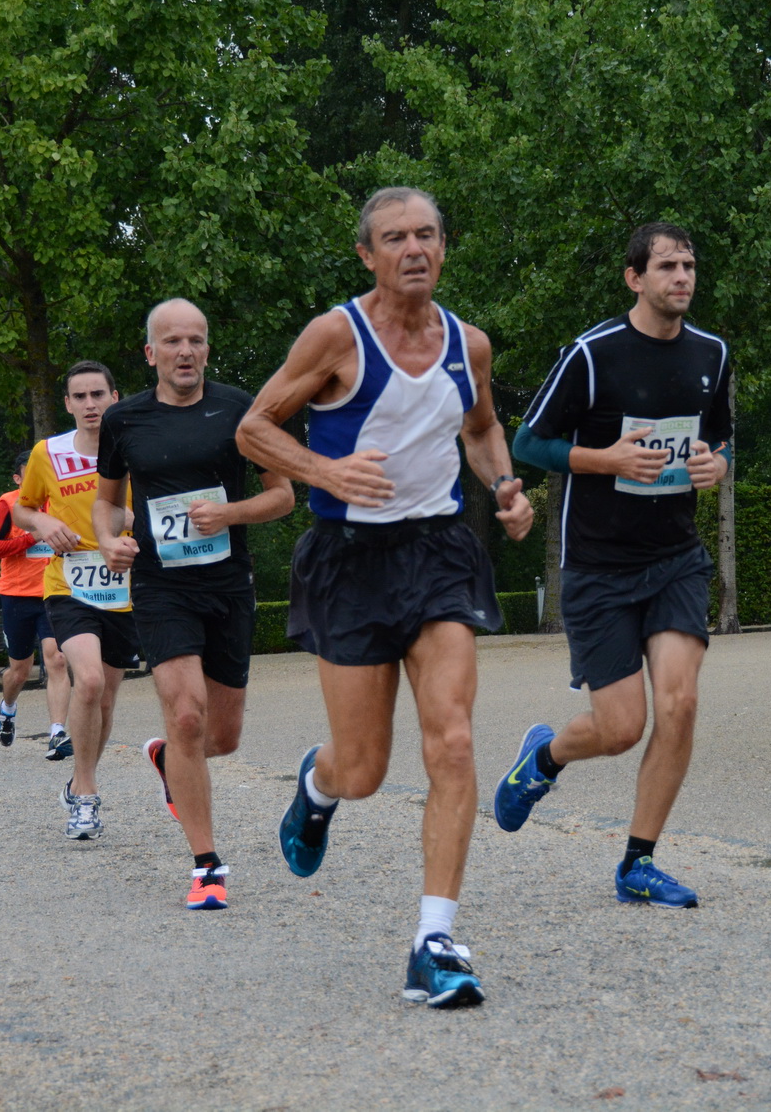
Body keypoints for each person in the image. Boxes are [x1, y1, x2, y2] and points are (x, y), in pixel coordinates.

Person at [238, 186, 533, 1006]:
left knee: (454, 740)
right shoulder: (337, 334)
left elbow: (478, 426)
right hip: (348, 558)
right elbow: (255, 427)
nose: (414, 248)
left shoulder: (467, 343)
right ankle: (318, 786)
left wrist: (505, 485)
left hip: (438, 550)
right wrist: (326, 472)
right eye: (395, 237)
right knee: (364, 768)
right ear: (367, 254)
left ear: (444, 247)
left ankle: (434, 938)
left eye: (428, 234)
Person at [496, 222, 732, 909]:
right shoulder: (592, 355)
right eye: (666, 266)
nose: (681, 277)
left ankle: (638, 862)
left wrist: (716, 462)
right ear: (634, 277)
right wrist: (607, 460)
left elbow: (717, 435)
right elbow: (527, 440)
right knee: (621, 726)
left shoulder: (713, 353)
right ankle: (543, 757)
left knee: (681, 703)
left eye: (689, 265)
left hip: (675, 559)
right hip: (598, 566)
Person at [93, 298, 294, 911]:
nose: (186, 352)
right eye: (173, 342)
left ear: (208, 349)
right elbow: (107, 502)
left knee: (221, 737)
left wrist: (229, 514)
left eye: (197, 341)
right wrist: (108, 541)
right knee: (185, 715)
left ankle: (169, 761)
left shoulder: (241, 411)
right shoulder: (124, 420)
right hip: (161, 585)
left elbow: (284, 496)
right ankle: (207, 866)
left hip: (228, 584)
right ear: (151, 353)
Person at [14, 361, 136, 840]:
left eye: (98, 395)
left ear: (114, 397)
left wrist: (125, 532)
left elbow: (149, 510)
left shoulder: (135, 447)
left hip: (120, 586)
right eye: (80, 397)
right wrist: (42, 524)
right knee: (86, 682)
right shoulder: (48, 452)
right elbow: (23, 507)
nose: (90, 405)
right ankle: (86, 794)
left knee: (104, 698)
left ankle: (77, 778)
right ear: (67, 404)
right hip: (68, 584)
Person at [0, 451, 70, 749]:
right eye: (28, 475)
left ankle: (57, 732)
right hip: (17, 595)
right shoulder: (9, 503)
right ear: (18, 479)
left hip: (54, 592)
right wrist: (30, 538)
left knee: (57, 659)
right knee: (19, 671)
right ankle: (7, 710)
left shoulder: (61, 501)